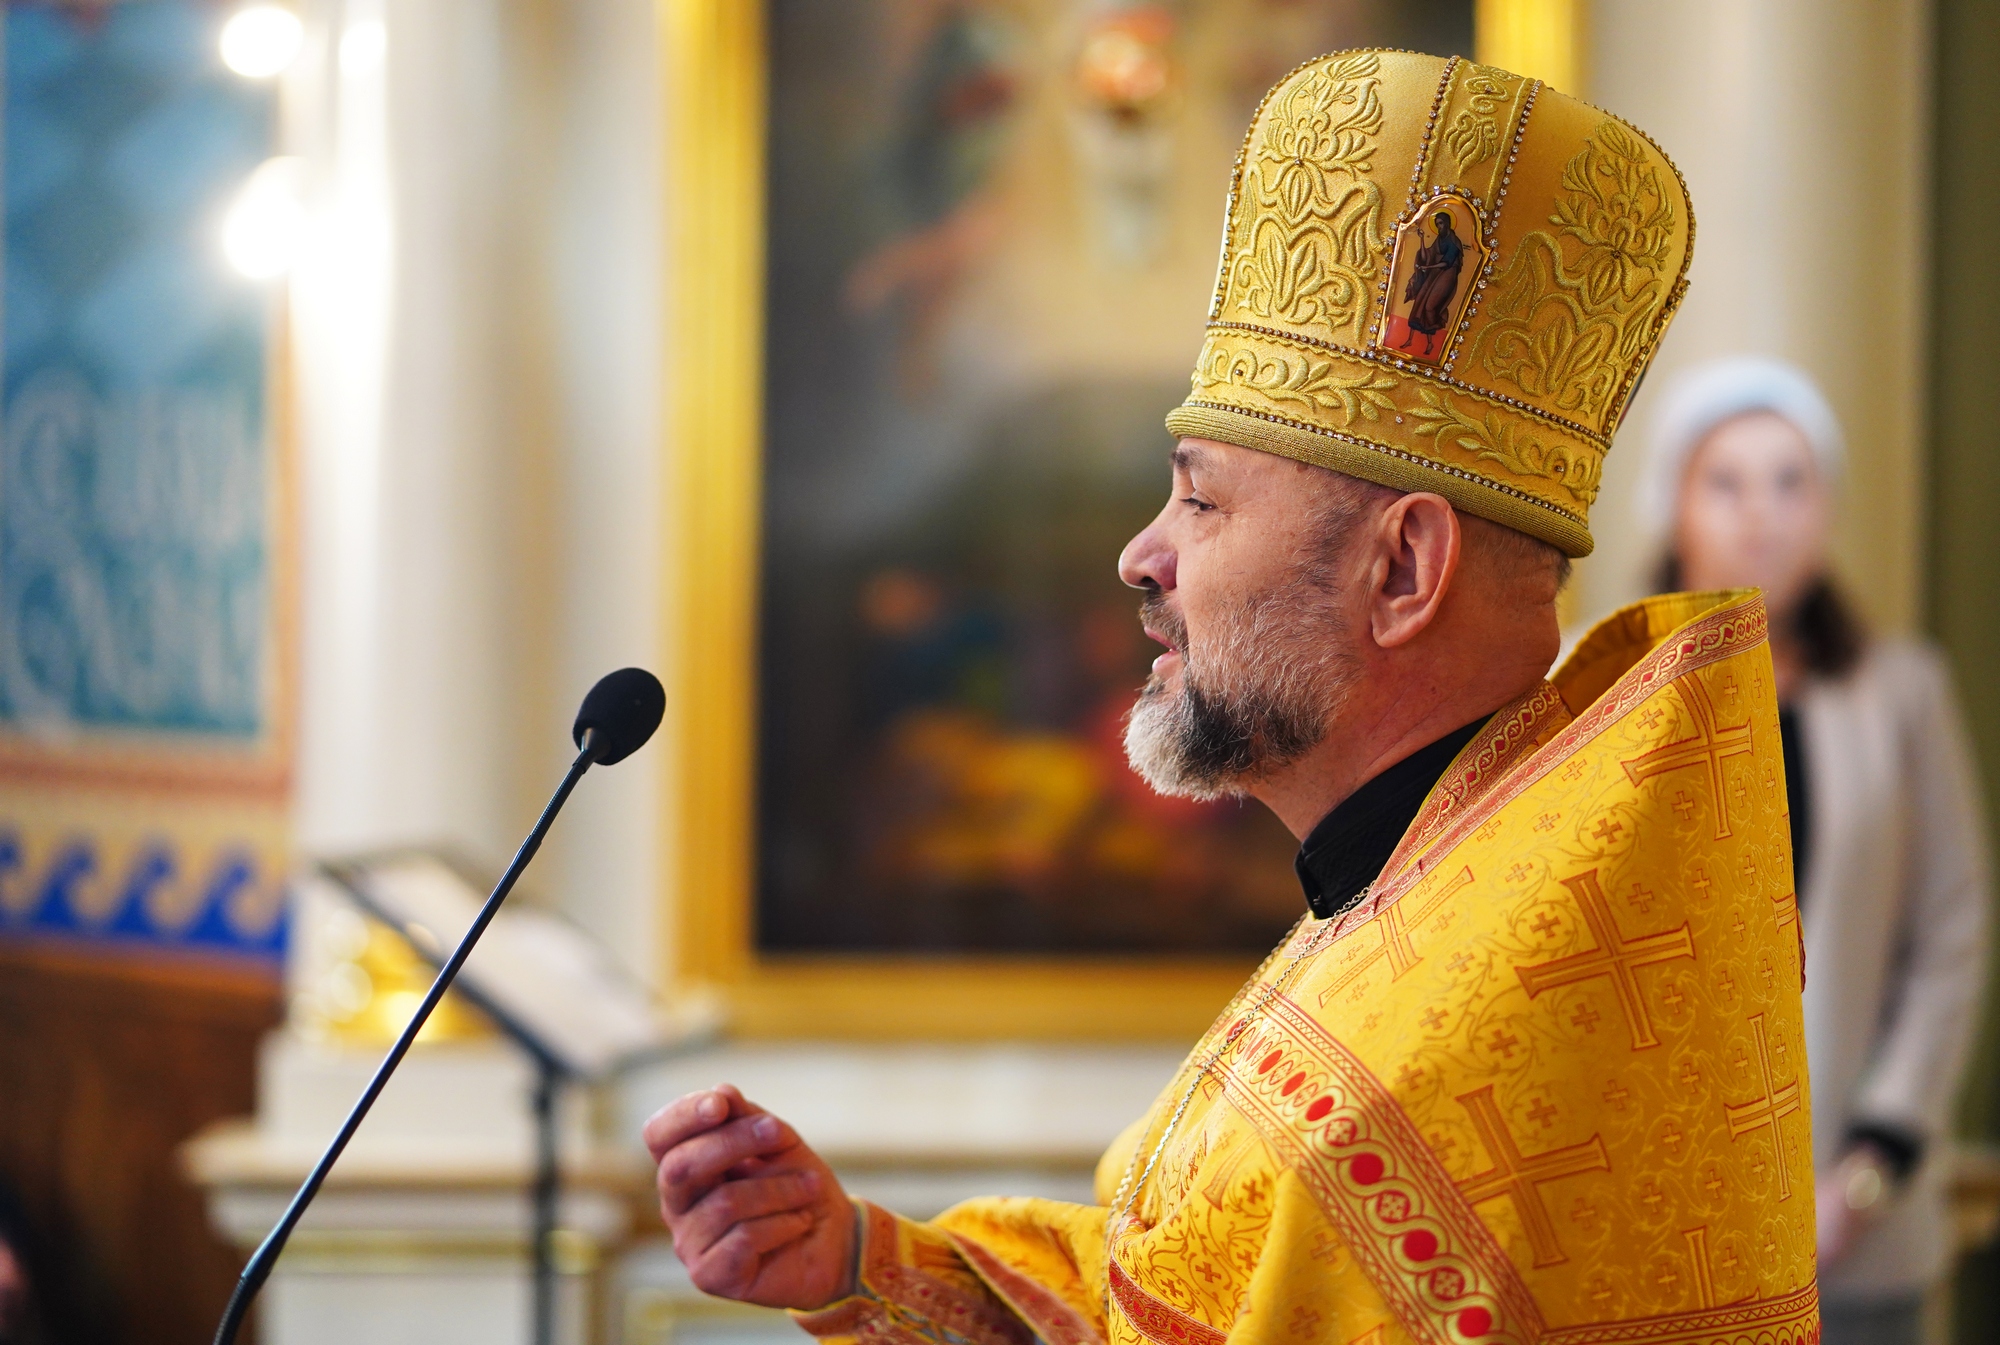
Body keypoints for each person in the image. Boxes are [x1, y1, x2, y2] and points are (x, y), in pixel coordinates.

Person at [646, 50, 1821, 1345]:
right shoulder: (1430, 907)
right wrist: (864, 1260)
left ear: (1404, 568)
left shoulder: (1427, 1058)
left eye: (1201, 500)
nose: (1142, 556)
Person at [1642, 357, 1990, 1345]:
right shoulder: (1596, 684)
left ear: (1825, 507)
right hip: (1657, 1218)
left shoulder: (1902, 692)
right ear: (1673, 502)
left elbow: (1949, 933)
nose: (1762, 513)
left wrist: (1871, 1163)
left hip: (1857, 1224)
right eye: (1726, 481)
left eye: (1790, 481)